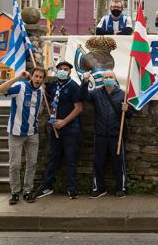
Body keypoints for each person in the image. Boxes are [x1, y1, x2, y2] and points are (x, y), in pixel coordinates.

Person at [34, 61, 83, 201]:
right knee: (53, 158)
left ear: (70, 72)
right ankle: (47, 186)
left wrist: (64, 122)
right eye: (60, 69)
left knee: (70, 159)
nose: (62, 71)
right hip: (54, 128)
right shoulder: (53, 85)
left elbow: (79, 108)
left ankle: (71, 188)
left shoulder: (74, 87)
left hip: (70, 129)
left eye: (65, 69)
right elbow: (46, 99)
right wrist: (42, 89)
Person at [0, 67, 46, 205]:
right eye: (36, 76)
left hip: (32, 133)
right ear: (31, 77)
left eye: (41, 77)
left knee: (32, 163)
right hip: (16, 132)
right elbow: (0, 90)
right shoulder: (20, 87)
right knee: (15, 165)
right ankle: (15, 192)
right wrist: (18, 77)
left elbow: (39, 111)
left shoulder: (41, 92)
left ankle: (28, 191)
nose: (38, 79)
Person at [80, 70, 131, 198]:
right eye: (106, 77)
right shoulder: (96, 93)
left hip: (116, 135)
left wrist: (127, 109)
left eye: (110, 77)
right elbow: (83, 96)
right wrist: (85, 82)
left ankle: (120, 188)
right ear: (102, 80)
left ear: (115, 79)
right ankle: (99, 188)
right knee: (98, 162)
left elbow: (129, 115)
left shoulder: (122, 95)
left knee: (119, 162)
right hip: (100, 134)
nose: (108, 78)